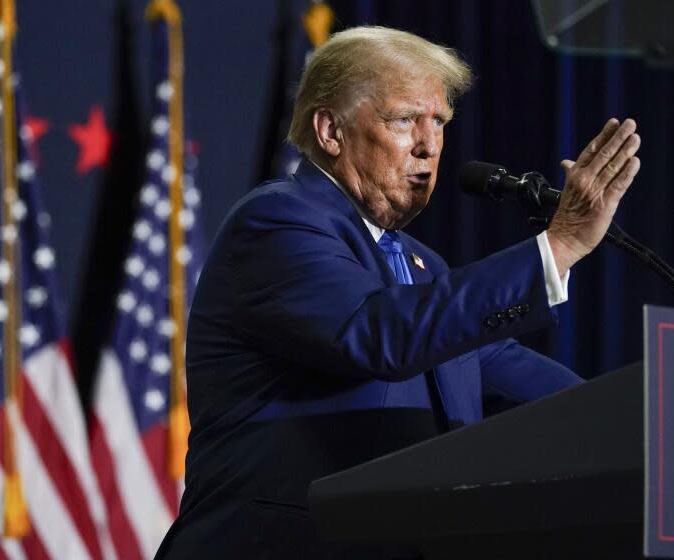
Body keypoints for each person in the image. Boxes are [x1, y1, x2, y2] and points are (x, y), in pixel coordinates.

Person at [155, 26, 641, 560]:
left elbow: (540, 391)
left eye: (439, 122)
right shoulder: (277, 222)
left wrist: (649, 428)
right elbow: (380, 333)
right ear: (330, 131)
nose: (429, 144)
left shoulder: (422, 267)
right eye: (405, 119)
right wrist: (559, 246)